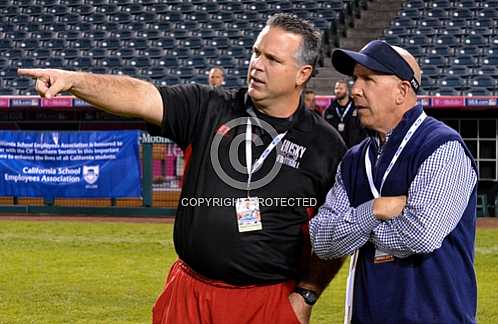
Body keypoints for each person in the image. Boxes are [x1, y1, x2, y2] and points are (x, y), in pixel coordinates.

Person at [19, 14, 347, 324]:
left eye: (272, 59)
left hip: (264, 301)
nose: (256, 65)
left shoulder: (325, 146)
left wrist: (306, 295)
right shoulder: (207, 106)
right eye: (255, 53)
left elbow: (338, 231)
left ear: (302, 74)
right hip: (189, 294)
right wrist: (74, 81)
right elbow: (140, 96)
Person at [310, 40, 478, 323]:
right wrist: (375, 210)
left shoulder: (442, 146)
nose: (355, 90)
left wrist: (354, 232)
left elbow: (421, 234)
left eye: (368, 79)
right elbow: (322, 240)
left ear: (402, 91)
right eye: (355, 79)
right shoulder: (353, 160)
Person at [323, 80, 366, 148]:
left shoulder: (357, 108)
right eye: (336, 88)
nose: (338, 91)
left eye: (341, 88)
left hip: (354, 149)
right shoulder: (329, 110)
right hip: (335, 149)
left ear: (347, 91)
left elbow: (363, 130)